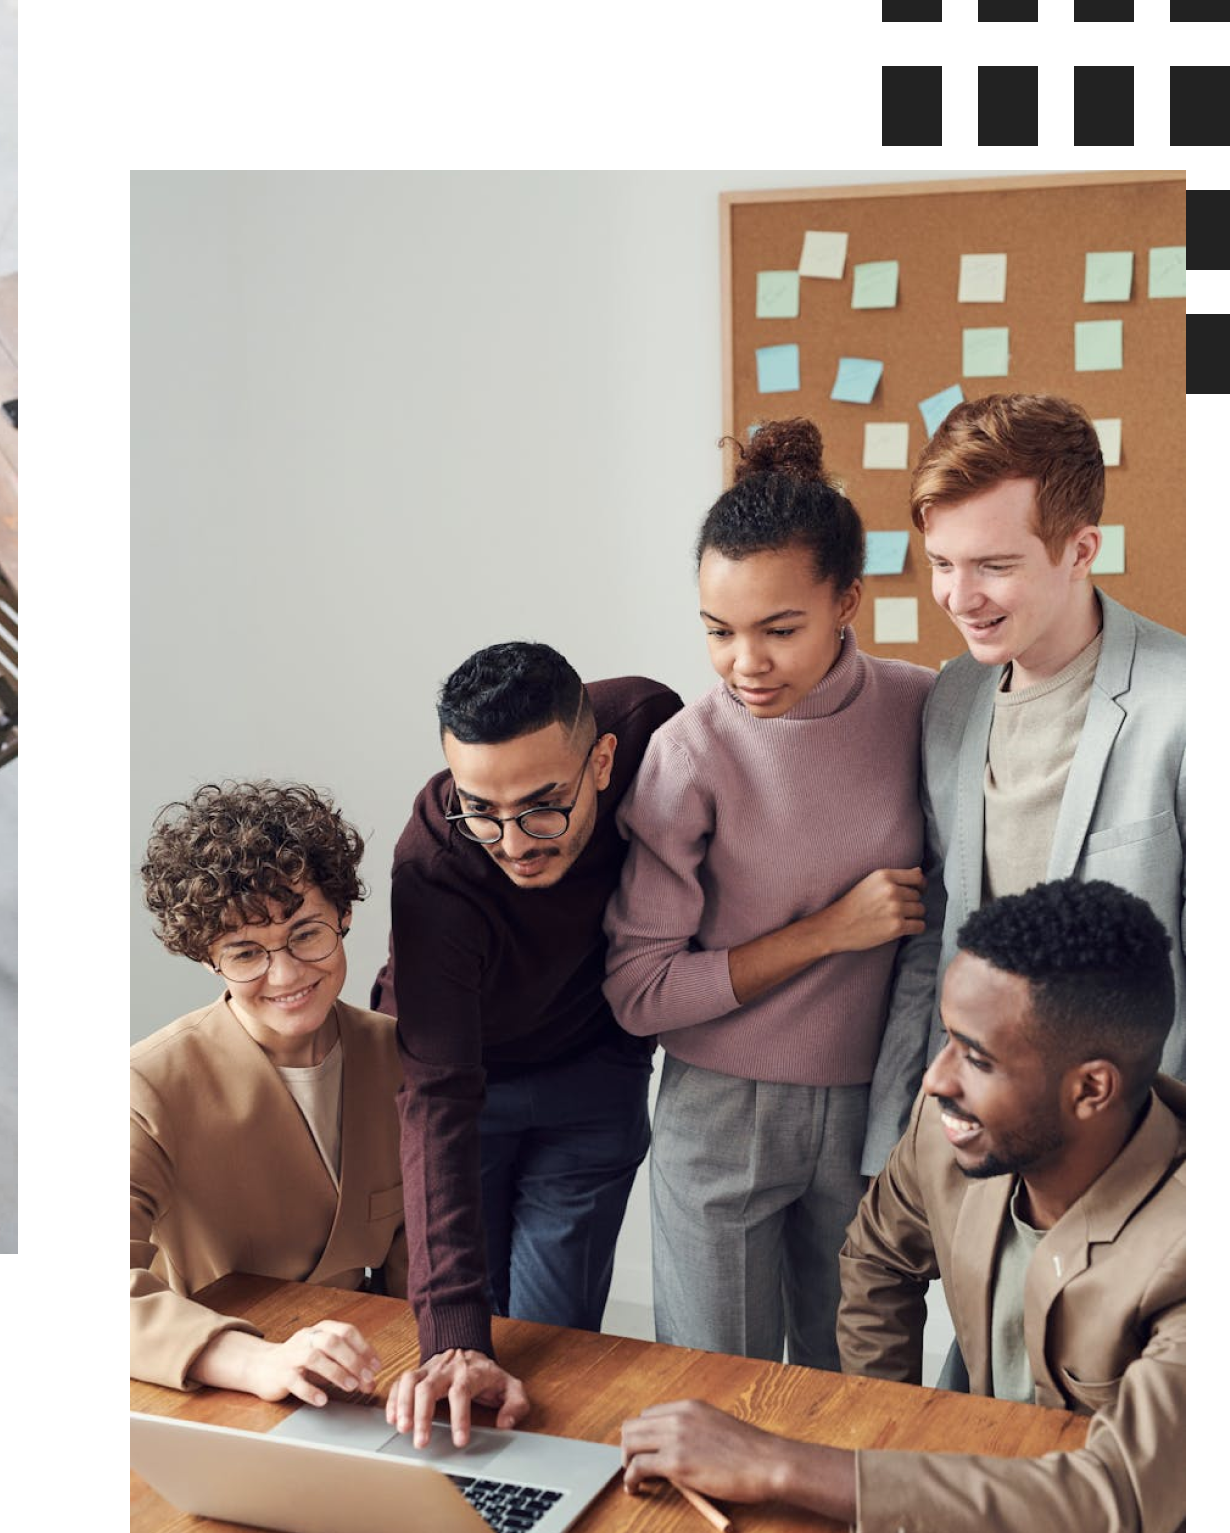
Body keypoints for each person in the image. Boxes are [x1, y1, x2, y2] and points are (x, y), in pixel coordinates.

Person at [617, 878, 1183, 1533]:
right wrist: (890, 1462)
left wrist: (784, 1463)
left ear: (1091, 1089)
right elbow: (877, 1260)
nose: (935, 1079)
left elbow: (1116, 1510)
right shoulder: (955, 1132)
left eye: (976, 1058)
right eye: (948, 1039)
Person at [603, 419, 934, 1368]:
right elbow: (640, 991)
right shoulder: (691, 750)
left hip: (874, 1103)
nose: (745, 663)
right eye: (718, 631)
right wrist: (830, 931)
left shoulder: (924, 708)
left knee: (857, 1390)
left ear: (848, 603)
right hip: (719, 1107)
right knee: (717, 1394)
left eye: (778, 629)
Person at [862, 395, 1184, 1173]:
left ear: (1080, 551)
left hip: (1138, 1146)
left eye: (994, 566)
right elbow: (935, 927)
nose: (958, 596)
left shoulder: (1176, 706)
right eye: (943, 563)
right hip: (970, 1137)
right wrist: (893, 1144)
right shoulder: (952, 700)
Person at [370, 645, 680, 1441]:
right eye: (482, 809)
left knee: (552, 1354)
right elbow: (437, 1093)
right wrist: (455, 1341)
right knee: (466, 1348)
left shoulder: (650, 728)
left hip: (592, 1069)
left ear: (603, 760)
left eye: (544, 806)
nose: (512, 842)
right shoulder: (436, 861)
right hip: (458, 1083)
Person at [131, 782, 409, 1406]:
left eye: (307, 933)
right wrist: (255, 1362)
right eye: (245, 952)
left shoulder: (398, 1057)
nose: (285, 975)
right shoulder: (149, 1084)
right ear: (207, 958)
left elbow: (418, 1261)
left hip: (371, 1372)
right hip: (211, 1381)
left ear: (345, 915)